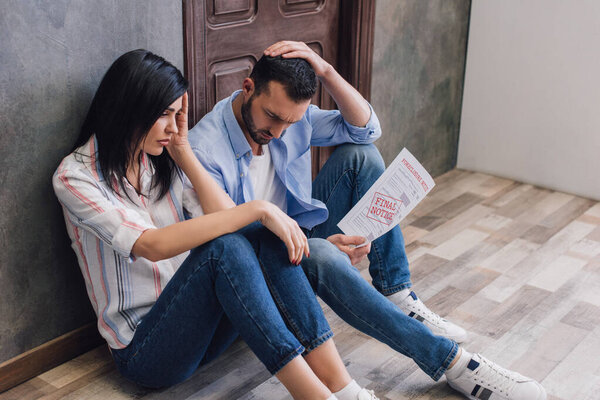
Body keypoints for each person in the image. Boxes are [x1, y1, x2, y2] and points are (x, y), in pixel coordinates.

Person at [185, 41, 547, 400]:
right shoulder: (205, 150)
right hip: (256, 272)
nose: (279, 132)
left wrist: (324, 70)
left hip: (294, 240)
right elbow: (231, 251)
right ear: (247, 87)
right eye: (274, 117)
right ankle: (456, 365)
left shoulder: (289, 118)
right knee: (320, 255)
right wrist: (320, 246)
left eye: (290, 121)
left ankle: (397, 292)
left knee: (362, 156)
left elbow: (366, 130)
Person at [53, 49, 399, 400]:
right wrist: (259, 209)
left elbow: (233, 225)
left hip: (204, 325)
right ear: (129, 108)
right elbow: (151, 245)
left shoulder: (160, 160)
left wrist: (183, 151)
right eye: (164, 115)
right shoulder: (75, 177)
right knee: (228, 247)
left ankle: (345, 389)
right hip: (147, 352)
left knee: (257, 238)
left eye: (177, 115)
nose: (173, 128)